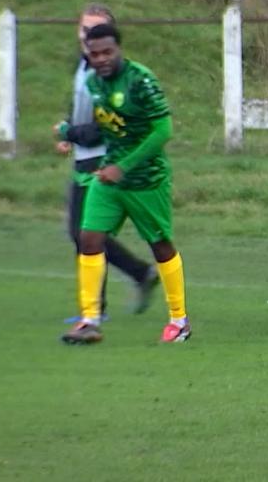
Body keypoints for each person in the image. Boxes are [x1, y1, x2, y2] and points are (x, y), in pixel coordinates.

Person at [60, 23, 190, 345]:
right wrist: (69, 133)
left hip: (147, 180)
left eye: (107, 52)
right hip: (109, 178)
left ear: (119, 49)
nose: (101, 59)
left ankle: (179, 320)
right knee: (88, 237)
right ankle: (89, 319)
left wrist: (125, 166)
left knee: (160, 246)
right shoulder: (93, 84)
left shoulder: (141, 80)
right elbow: (109, 129)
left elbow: (162, 132)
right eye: (94, 54)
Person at [53, 4, 158, 323]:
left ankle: (101, 304)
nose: (89, 36)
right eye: (84, 30)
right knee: (85, 234)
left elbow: (107, 123)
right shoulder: (83, 65)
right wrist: (68, 131)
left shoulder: (114, 75)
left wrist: (72, 132)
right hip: (84, 157)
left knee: (85, 234)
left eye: (96, 30)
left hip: (104, 159)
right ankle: (131, 280)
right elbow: (79, 103)